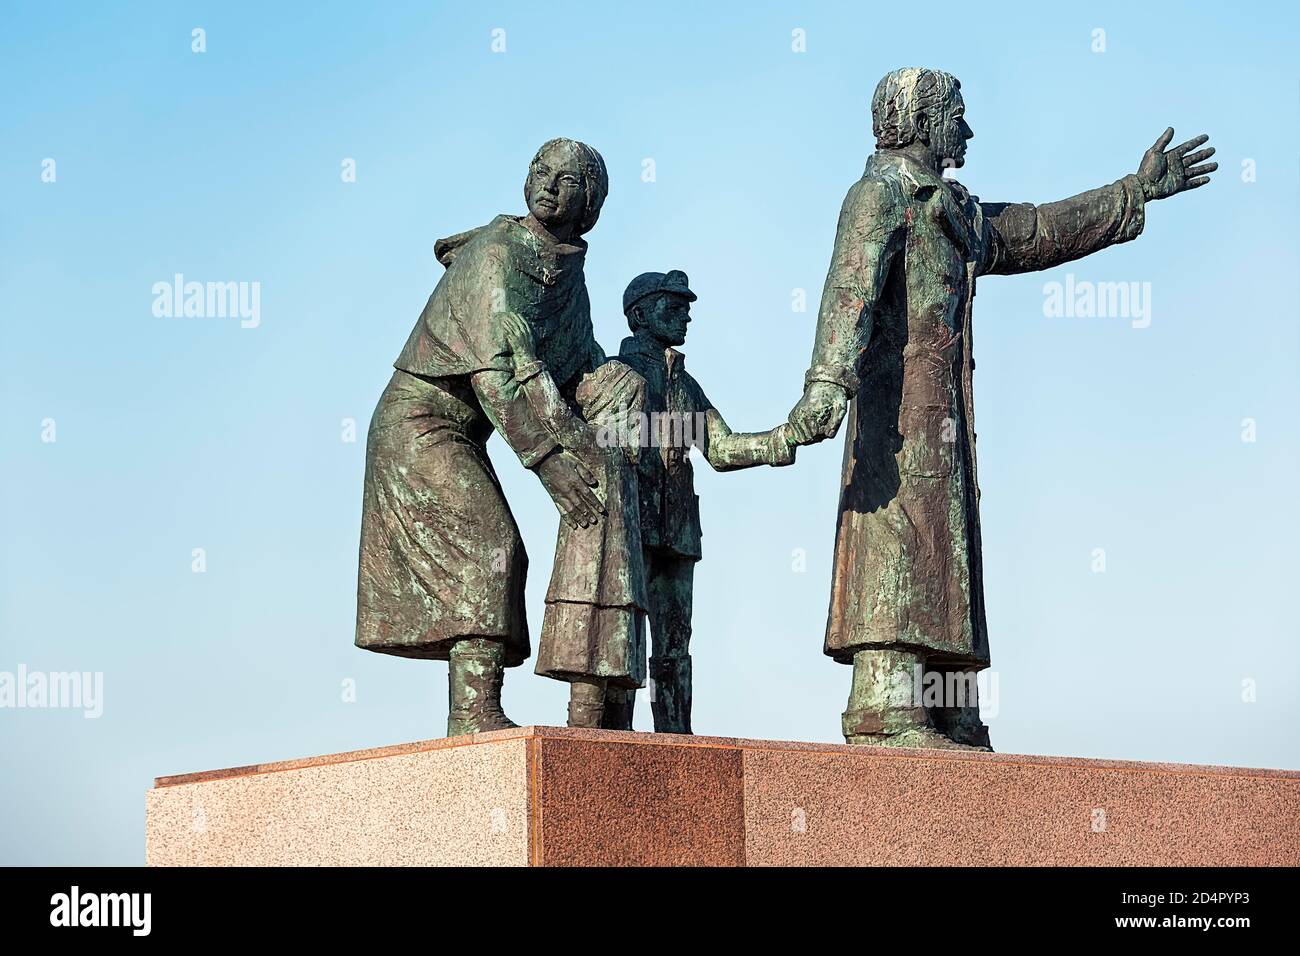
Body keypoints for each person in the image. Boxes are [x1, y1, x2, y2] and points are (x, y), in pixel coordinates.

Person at [786, 68, 1217, 749]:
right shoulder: (879, 195)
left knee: (943, 552)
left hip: (945, 413)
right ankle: (884, 702)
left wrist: (1133, 192)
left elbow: (1037, 230)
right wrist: (825, 385)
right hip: (892, 418)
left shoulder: (953, 208)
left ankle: (949, 703)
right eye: (957, 113)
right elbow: (849, 294)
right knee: (898, 541)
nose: (968, 128)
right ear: (923, 119)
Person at [355, 138, 646, 735]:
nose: (547, 183)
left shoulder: (566, 269)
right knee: (495, 545)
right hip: (419, 424)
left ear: (589, 200)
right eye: (539, 170)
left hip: (466, 432)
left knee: (502, 547)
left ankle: (482, 707)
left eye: (566, 178)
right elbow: (496, 375)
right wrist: (551, 466)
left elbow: (573, 364)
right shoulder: (495, 254)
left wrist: (618, 379)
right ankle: (472, 712)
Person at [613, 270, 797, 733]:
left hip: (676, 531)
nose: (685, 316)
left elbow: (723, 447)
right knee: (621, 638)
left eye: (687, 308)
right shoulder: (612, 374)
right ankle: (608, 740)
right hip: (626, 528)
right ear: (639, 315)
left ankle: (675, 735)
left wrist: (784, 438)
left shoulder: (685, 384)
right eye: (672, 307)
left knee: (675, 644)